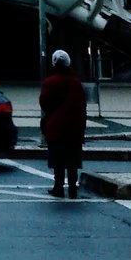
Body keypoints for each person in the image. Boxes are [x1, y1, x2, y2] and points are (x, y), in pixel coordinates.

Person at [40, 50, 87, 198]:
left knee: (58, 160)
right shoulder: (76, 82)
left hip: (56, 126)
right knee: (73, 160)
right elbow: (82, 105)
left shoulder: (50, 81)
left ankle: (58, 187)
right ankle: (73, 187)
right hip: (74, 127)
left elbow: (44, 103)